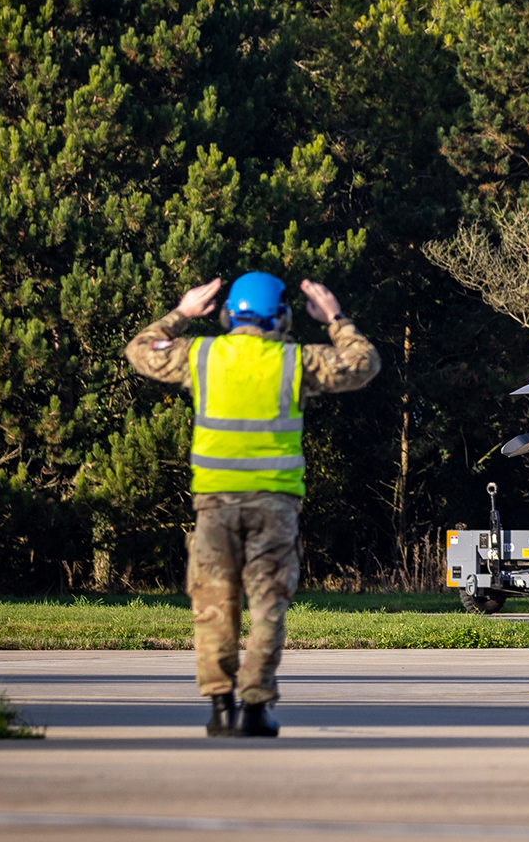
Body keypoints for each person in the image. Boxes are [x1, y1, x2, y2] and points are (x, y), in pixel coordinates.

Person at [125, 272, 381, 737]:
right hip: (274, 507)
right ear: (281, 316)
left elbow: (141, 349)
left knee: (213, 607)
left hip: (214, 509)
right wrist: (336, 318)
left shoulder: (200, 355)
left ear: (226, 315)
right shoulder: (295, 362)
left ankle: (220, 708)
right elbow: (362, 363)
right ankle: (255, 708)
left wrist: (182, 313)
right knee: (267, 607)